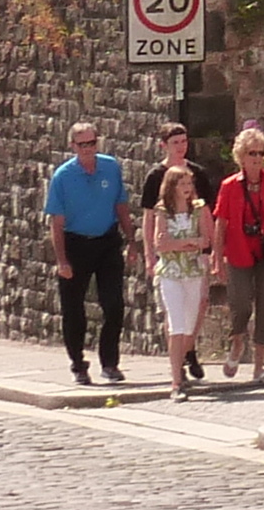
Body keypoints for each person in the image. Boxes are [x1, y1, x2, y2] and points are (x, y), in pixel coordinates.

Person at [45, 121, 131, 387]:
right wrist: (62, 260)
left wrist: (133, 242)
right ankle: (78, 364)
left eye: (92, 143)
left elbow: (121, 206)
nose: (88, 149)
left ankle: (110, 363)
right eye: (82, 144)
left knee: (114, 306)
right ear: (73, 146)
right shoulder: (62, 176)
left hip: (106, 241)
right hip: (75, 244)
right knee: (73, 310)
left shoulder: (110, 167)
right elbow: (56, 223)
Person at [210, 126, 264, 387]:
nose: (257, 158)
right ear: (241, 156)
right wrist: (216, 256)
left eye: (260, 153)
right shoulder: (230, 186)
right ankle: (237, 343)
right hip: (238, 251)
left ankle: (259, 368)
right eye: (251, 153)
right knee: (241, 304)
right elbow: (221, 223)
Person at [141, 121, 218, 382]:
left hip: (197, 255)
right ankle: (179, 364)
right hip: (170, 261)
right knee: (172, 312)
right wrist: (149, 255)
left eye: (184, 142)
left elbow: (207, 216)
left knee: (199, 304)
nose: (181, 147)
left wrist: (212, 249)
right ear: (164, 145)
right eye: (175, 143)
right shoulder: (155, 176)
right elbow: (150, 218)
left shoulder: (197, 174)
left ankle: (188, 350)